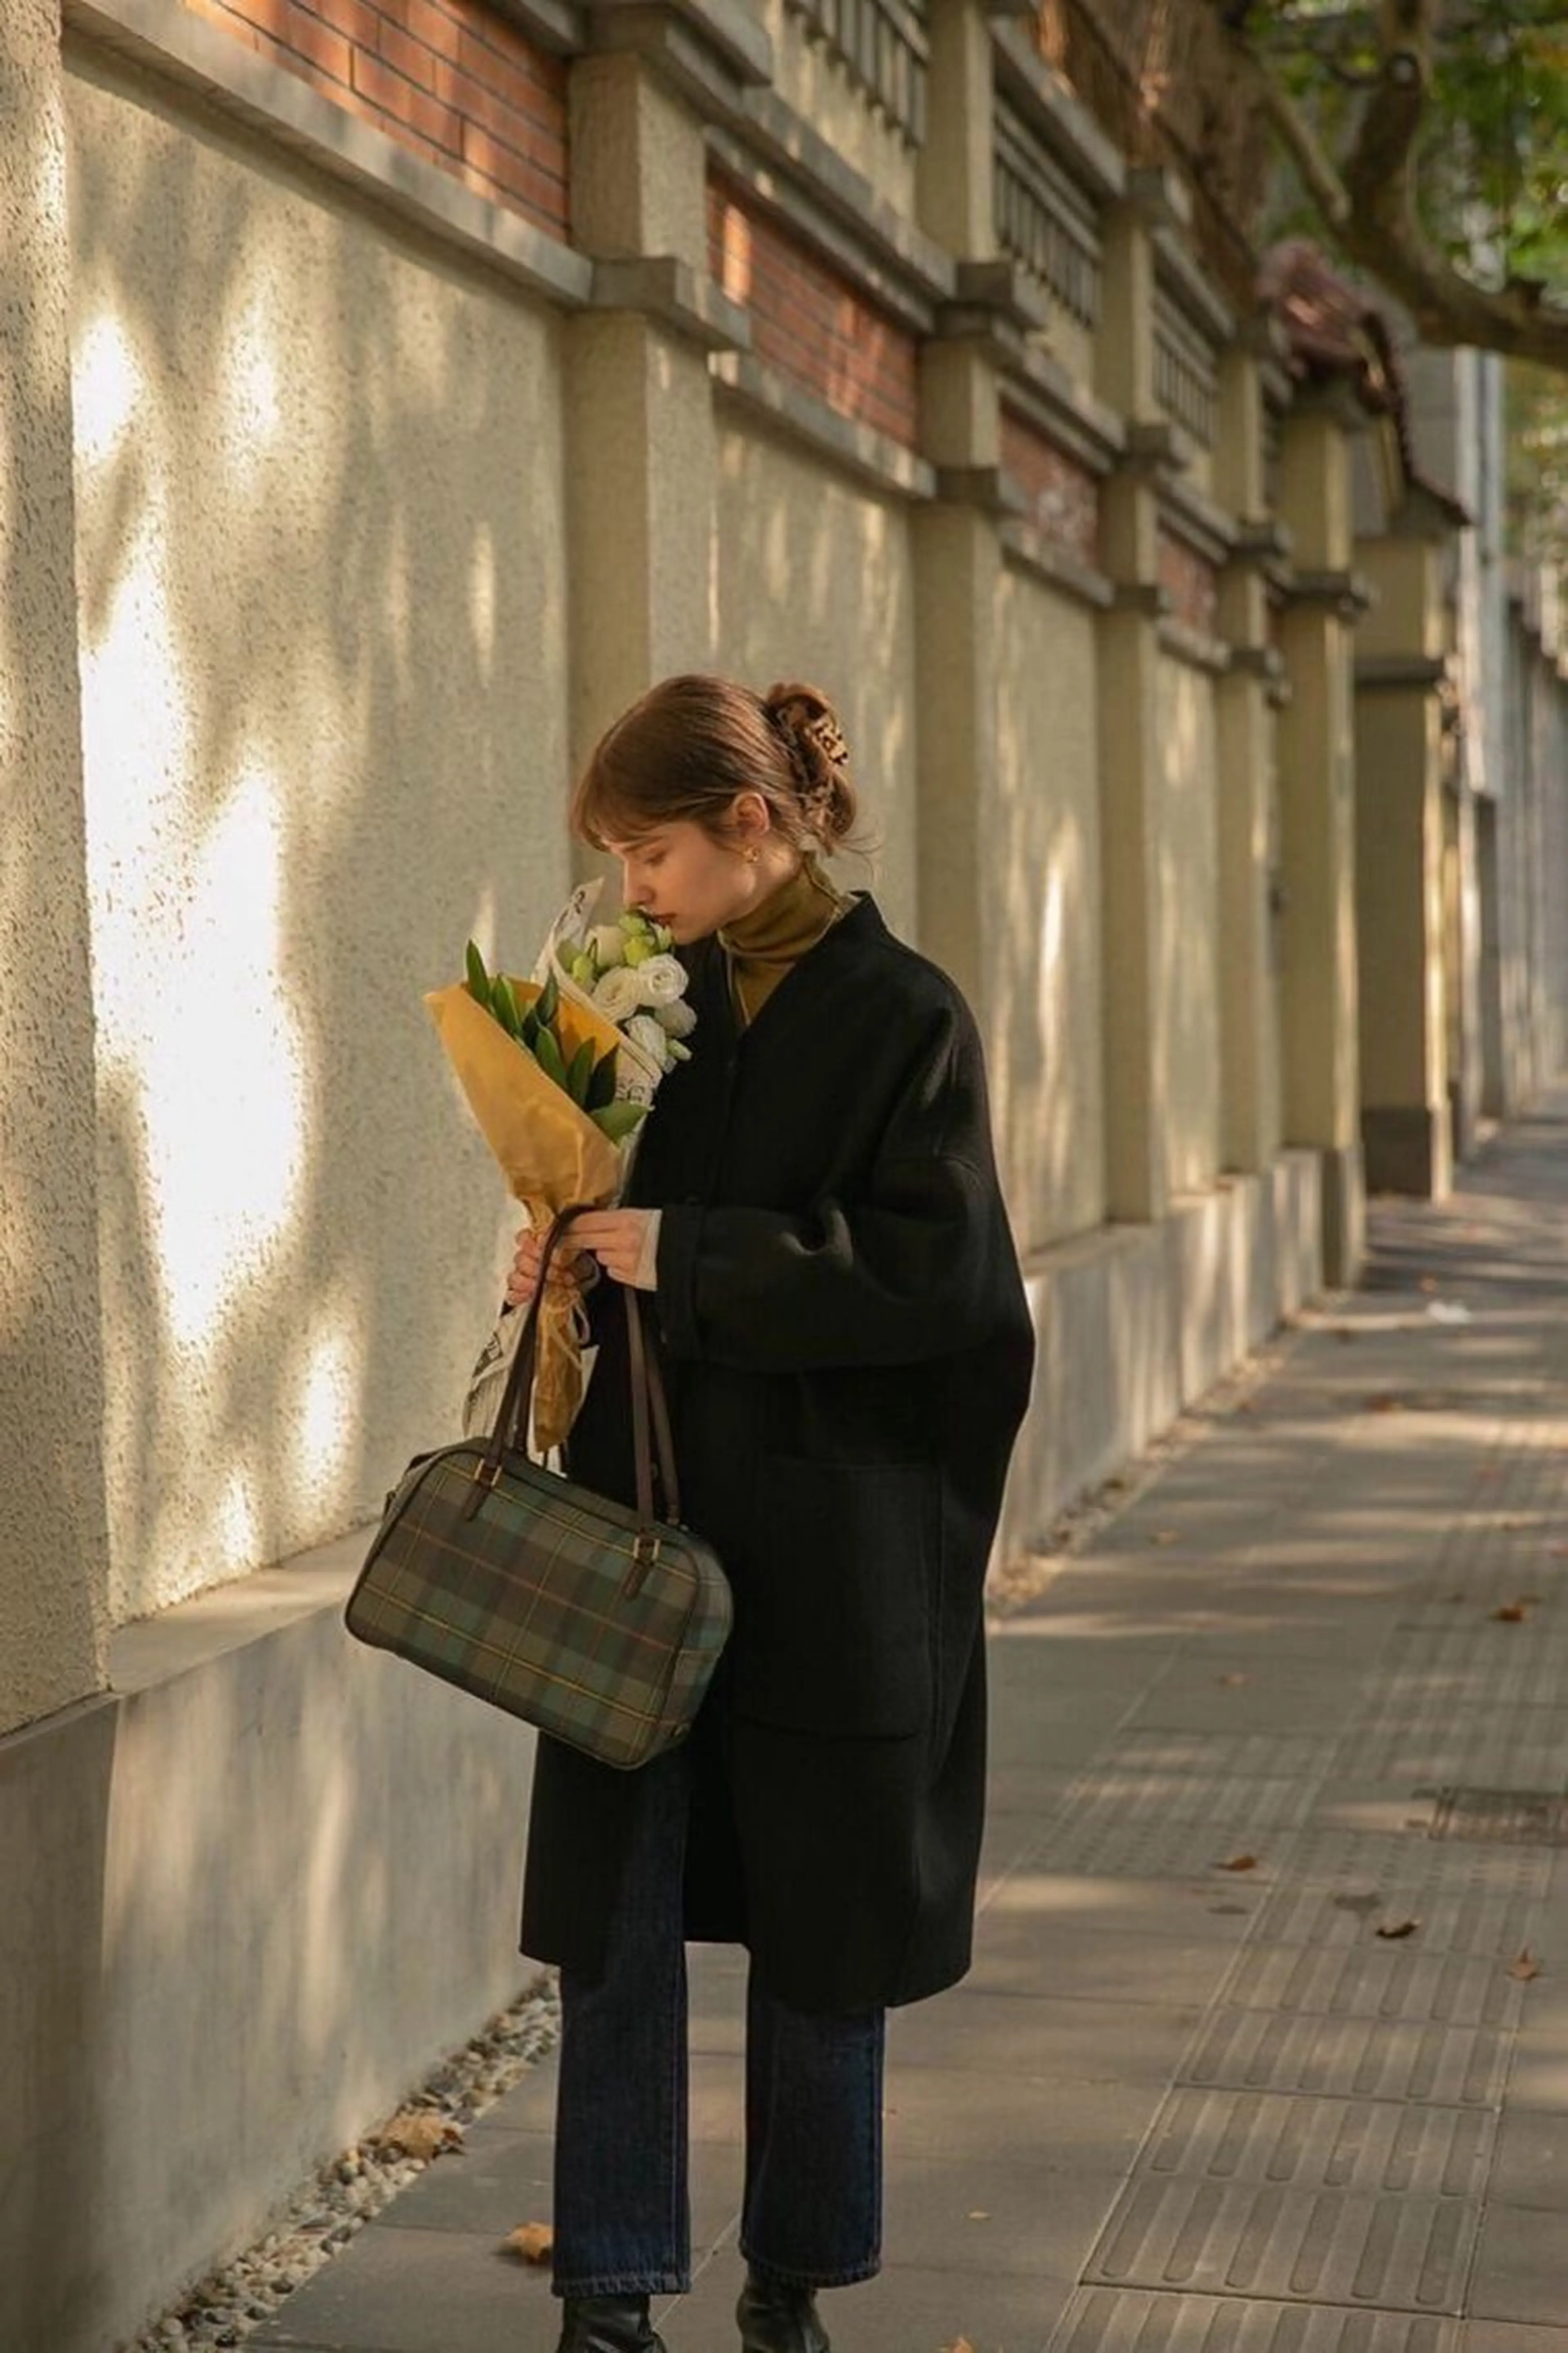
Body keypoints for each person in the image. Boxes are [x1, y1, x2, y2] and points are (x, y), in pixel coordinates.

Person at [505, 676, 1035, 2353]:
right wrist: (563, 1268)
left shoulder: (903, 1018)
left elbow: (949, 1288)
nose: (631, 891)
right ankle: (607, 2289)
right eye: (616, 863)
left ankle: (789, 2283)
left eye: (649, 852)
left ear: (750, 823)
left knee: (822, 1931)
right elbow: (606, 1209)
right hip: (640, 1531)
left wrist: (697, 1255)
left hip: (829, 1555)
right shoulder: (639, 1007)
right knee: (616, 1923)